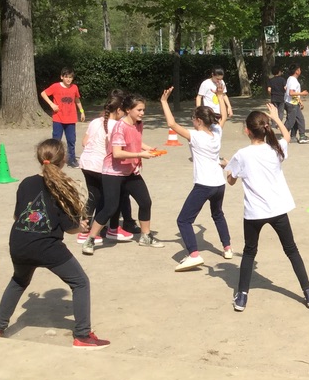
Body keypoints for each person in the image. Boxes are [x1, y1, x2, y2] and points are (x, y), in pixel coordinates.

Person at [0, 139, 109, 348]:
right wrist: (81, 227)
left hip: (19, 242)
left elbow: (18, 216)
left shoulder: (26, 182)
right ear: (63, 160)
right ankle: (82, 335)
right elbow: (69, 228)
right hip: (47, 246)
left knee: (19, 280)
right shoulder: (63, 188)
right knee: (80, 282)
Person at [225, 106, 309, 311]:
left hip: (254, 213)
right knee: (291, 250)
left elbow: (231, 181)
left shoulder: (242, 154)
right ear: (266, 128)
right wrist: (276, 118)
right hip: (277, 210)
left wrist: (228, 169)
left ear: (247, 131)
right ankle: (308, 292)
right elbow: (287, 137)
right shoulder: (276, 148)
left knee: (249, 252)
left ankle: (242, 296)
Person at [160, 87, 234, 271]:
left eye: (193, 119)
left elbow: (171, 124)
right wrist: (220, 96)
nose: (191, 122)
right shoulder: (216, 132)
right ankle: (227, 247)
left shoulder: (195, 136)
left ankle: (194, 254)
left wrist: (164, 102)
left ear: (199, 121)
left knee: (184, 220)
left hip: (204, 185)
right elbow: (224, 115)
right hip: (219, 184)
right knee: (218, 214)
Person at [81, 93, 164, 253]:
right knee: (110, 207)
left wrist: (149, 149)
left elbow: (134, 142)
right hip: (113, 172)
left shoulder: (138, 124)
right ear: (127, 110)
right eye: (139, 110)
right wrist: (140, 154)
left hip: (130, 171)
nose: (142, 113)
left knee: (145, 202)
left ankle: (146, 236)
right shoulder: (119, 127)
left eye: (143, 110)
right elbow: (117, 153)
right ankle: (90, 239)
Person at [78, 91, 127, 246]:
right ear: (118, 110)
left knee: (93, 197)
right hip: (100, 165)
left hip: (86, 163)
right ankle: (103, 229)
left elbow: (84, 142)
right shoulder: (117, 125)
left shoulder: (95, 121)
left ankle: (83, 230)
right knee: (108, 198)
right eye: (124, 111)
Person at [40, 67, 85, 168]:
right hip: (58, 118)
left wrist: (82, 111)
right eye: (66, 77)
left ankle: (71, 160)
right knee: (56, 140)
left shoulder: (74, 87)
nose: (68, 79)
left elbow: (77, 100)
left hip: (71, 118)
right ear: (62, 77)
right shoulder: (55, 86)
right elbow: (43, 93)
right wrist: (51, 104)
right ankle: (54, 160)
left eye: (70, 77)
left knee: (71, 140)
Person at [284, 65, 309, 144]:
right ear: (296, 71)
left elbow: (286, 89)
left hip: (293, 102)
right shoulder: (293, 80)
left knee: (299, 119)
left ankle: (296, 136)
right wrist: (302, 93)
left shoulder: (290, 79)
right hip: (292, 104)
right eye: (299, 69)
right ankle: (284, 134)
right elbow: (291, 93)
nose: (300, 71)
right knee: (291, 121)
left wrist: (299, 100)